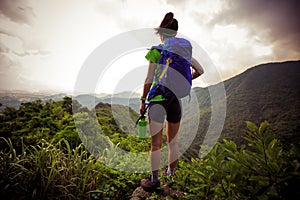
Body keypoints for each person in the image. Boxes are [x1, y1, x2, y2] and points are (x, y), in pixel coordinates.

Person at [140, 12, 204, 191]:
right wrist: (185, 80)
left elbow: (148, 79)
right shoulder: (183, 52)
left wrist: (143, 101)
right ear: (175, 34)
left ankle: (154, 180)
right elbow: (200, 70)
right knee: (173, 142)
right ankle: (171, 175)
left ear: (161, 33)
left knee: (155, 144)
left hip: (158, 100)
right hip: (176, 99)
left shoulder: (156, 51)